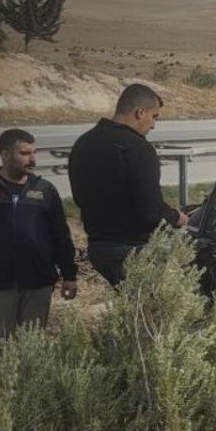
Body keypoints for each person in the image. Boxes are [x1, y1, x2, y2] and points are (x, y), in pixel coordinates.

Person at [0, 129, 78, 339]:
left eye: (34, 153)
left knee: (32, 349)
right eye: (25, 153)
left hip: (38, 283)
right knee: (0, 352)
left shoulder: (45, 190)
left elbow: (61, 237)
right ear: (5, 154)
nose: (33, 159)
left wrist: (70, 275)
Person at [68, 84, 188, 286]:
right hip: (132, 249)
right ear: (140, 113)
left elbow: (79, 198)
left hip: (98, 248)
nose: (153, 125)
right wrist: (176, 217)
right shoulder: (138, 148)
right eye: (154, 116)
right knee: (152, 312)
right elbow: (151, 211)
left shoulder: (84, 143)